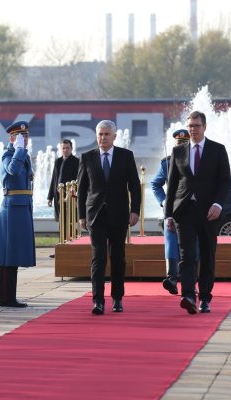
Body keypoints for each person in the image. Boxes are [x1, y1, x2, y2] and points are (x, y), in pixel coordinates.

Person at [165, 111, 230, 315]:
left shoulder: (217, 150)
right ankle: (188, 296)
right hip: (184, 211)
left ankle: (205, 298)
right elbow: (172, 184)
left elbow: (224, 181)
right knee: (186, 255)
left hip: (208, 212)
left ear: (204, 126)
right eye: (190, 125)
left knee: (207, 255)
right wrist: (168, 214)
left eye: (197, 125)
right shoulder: (179, 151)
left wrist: (218, 204)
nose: (193, 129)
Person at [77, 120, 140, 315]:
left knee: (118, 256)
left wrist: (135, 211)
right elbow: (81, 189)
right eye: (100, 134)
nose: (103, 138)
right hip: (95, 215)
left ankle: (117, 298)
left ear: (114, 136)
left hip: (119, 214)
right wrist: (81, 216)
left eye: (106, 134)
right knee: (98, 257)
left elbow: (135, 187)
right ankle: (98, 301)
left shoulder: (125, 156)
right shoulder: (87, 157)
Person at [0, 121, 36, 308]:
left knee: (15, 254)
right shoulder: (8, 154)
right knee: (8, 255)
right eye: (20, 136)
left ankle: (10, 296)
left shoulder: (23, 155)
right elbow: (12, 171)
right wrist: (18, 150)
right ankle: (6, 297)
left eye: (25, 136)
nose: (24, 139)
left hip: (22, 206)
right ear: (12, 138)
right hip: (12, 208)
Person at [151, 129, 190, 295]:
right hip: (172, 209)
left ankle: (189, 280)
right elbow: (155, 184)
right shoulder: (166, 163)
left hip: (190, 208)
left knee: (190, 244)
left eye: (183, 142)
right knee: (171, 241)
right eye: (178, 143)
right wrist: (164, 201)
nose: (180, 145)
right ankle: (172, 278)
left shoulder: (195, 160)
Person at [47, 139, 80, 221]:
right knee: (61, 221)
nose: (65, 150)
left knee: (70, 221)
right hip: (58, 196)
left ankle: (71, 234)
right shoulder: (57, 161)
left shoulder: (77, 162)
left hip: (70, 196)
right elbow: (53, 180)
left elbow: (79, 180)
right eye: (63, 148)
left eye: (67, 148)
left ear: (71, 148)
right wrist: (50, 197)